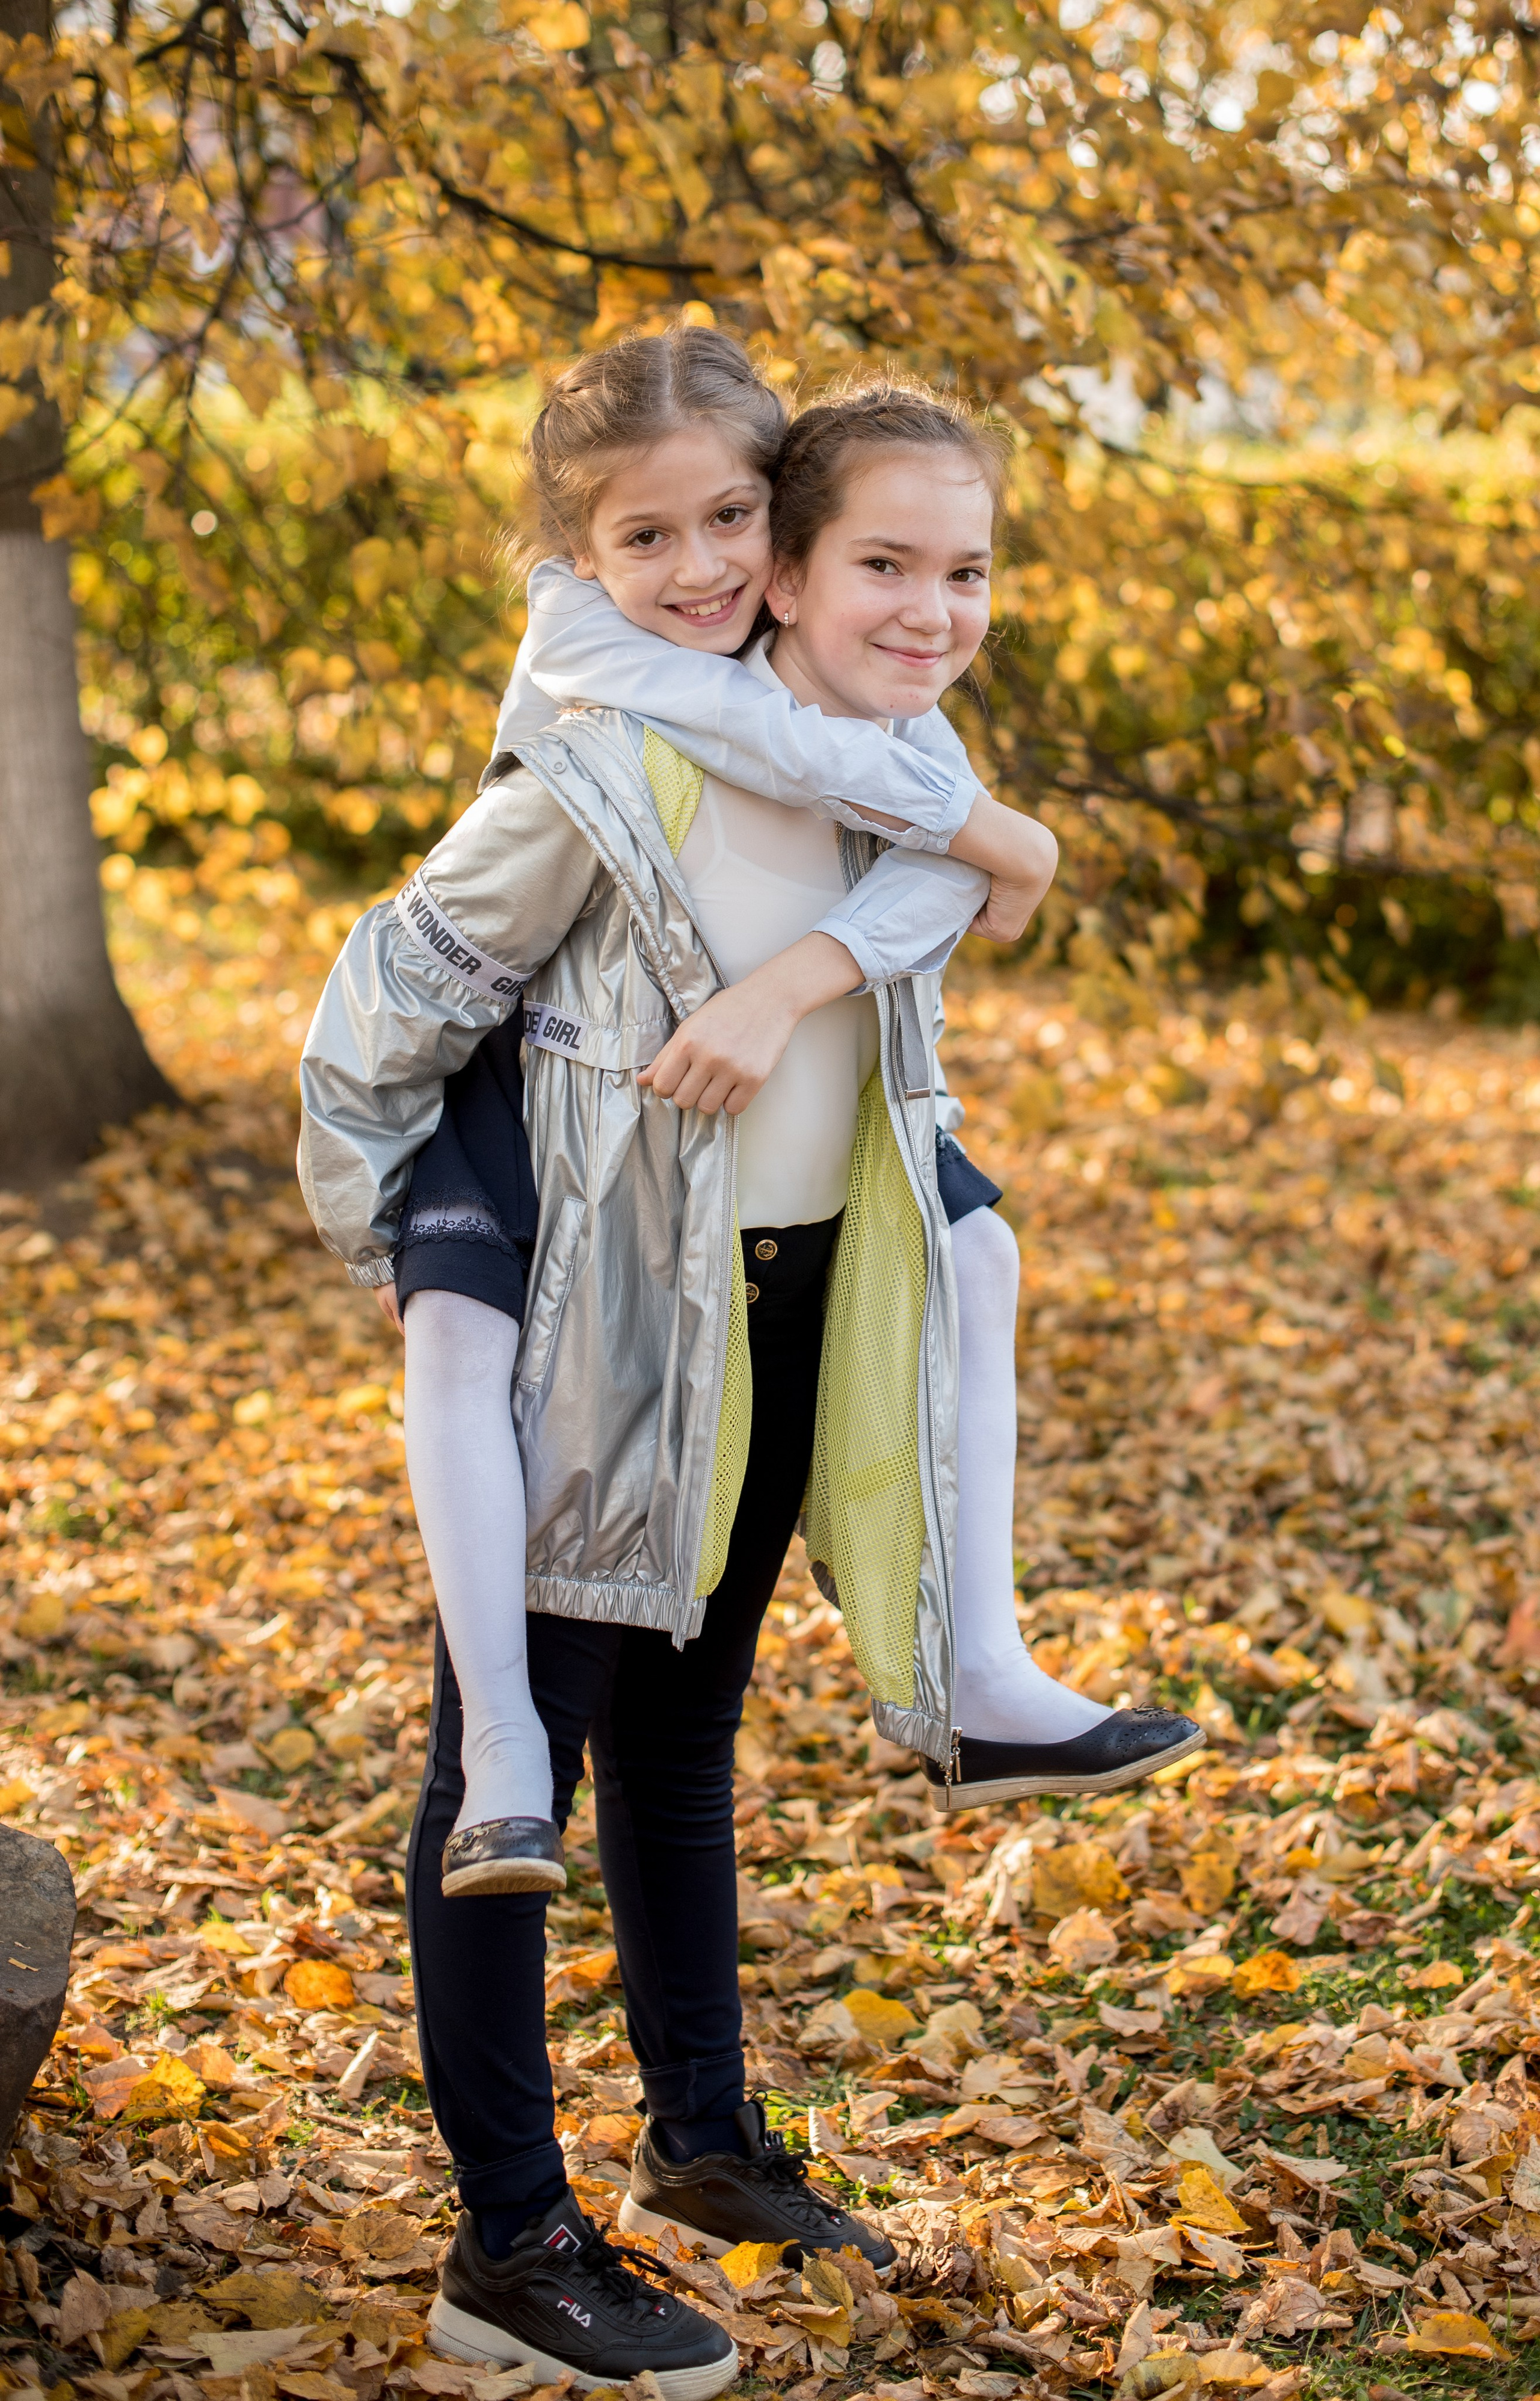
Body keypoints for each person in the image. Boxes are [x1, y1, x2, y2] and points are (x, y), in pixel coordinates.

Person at [297, 335, 1202, 2393]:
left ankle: (700, 2139)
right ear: (793, 575)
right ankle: (507, 2245)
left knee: (690, 1747)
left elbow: (938, 904)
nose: (932, 615)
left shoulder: (897, 787)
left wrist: (845, 954)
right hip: (598, 1342)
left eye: (966, 578)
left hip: (785, 1318)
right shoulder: (608, 784)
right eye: (879, 566)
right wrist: (418, 1240)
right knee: (502, 1778)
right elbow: (377, 1020)